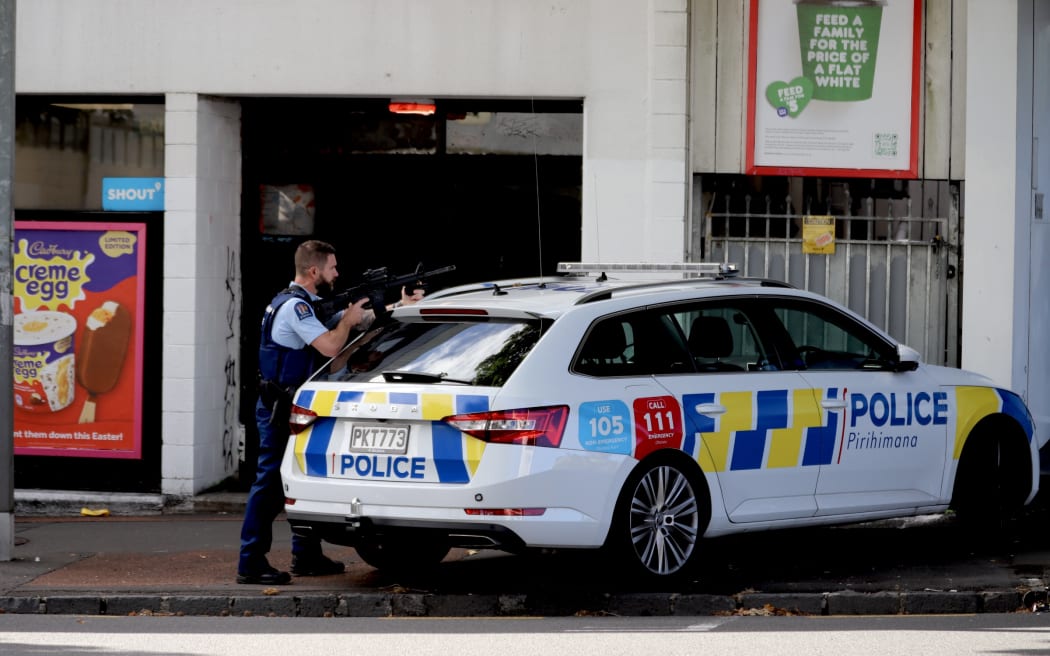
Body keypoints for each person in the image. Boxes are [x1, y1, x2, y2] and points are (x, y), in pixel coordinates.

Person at [237, 240, 421, 585]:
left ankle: (305, 555)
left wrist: (398, 304)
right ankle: (250, 562)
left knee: (303, 477)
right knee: (270, 486)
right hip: (281, 406)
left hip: (298, 404)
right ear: (314, 270)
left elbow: (356, 320)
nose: (337, 273)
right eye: (333, 268)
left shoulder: (310, 305)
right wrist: (350, 320)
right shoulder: (295, 308)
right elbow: (332, 345)